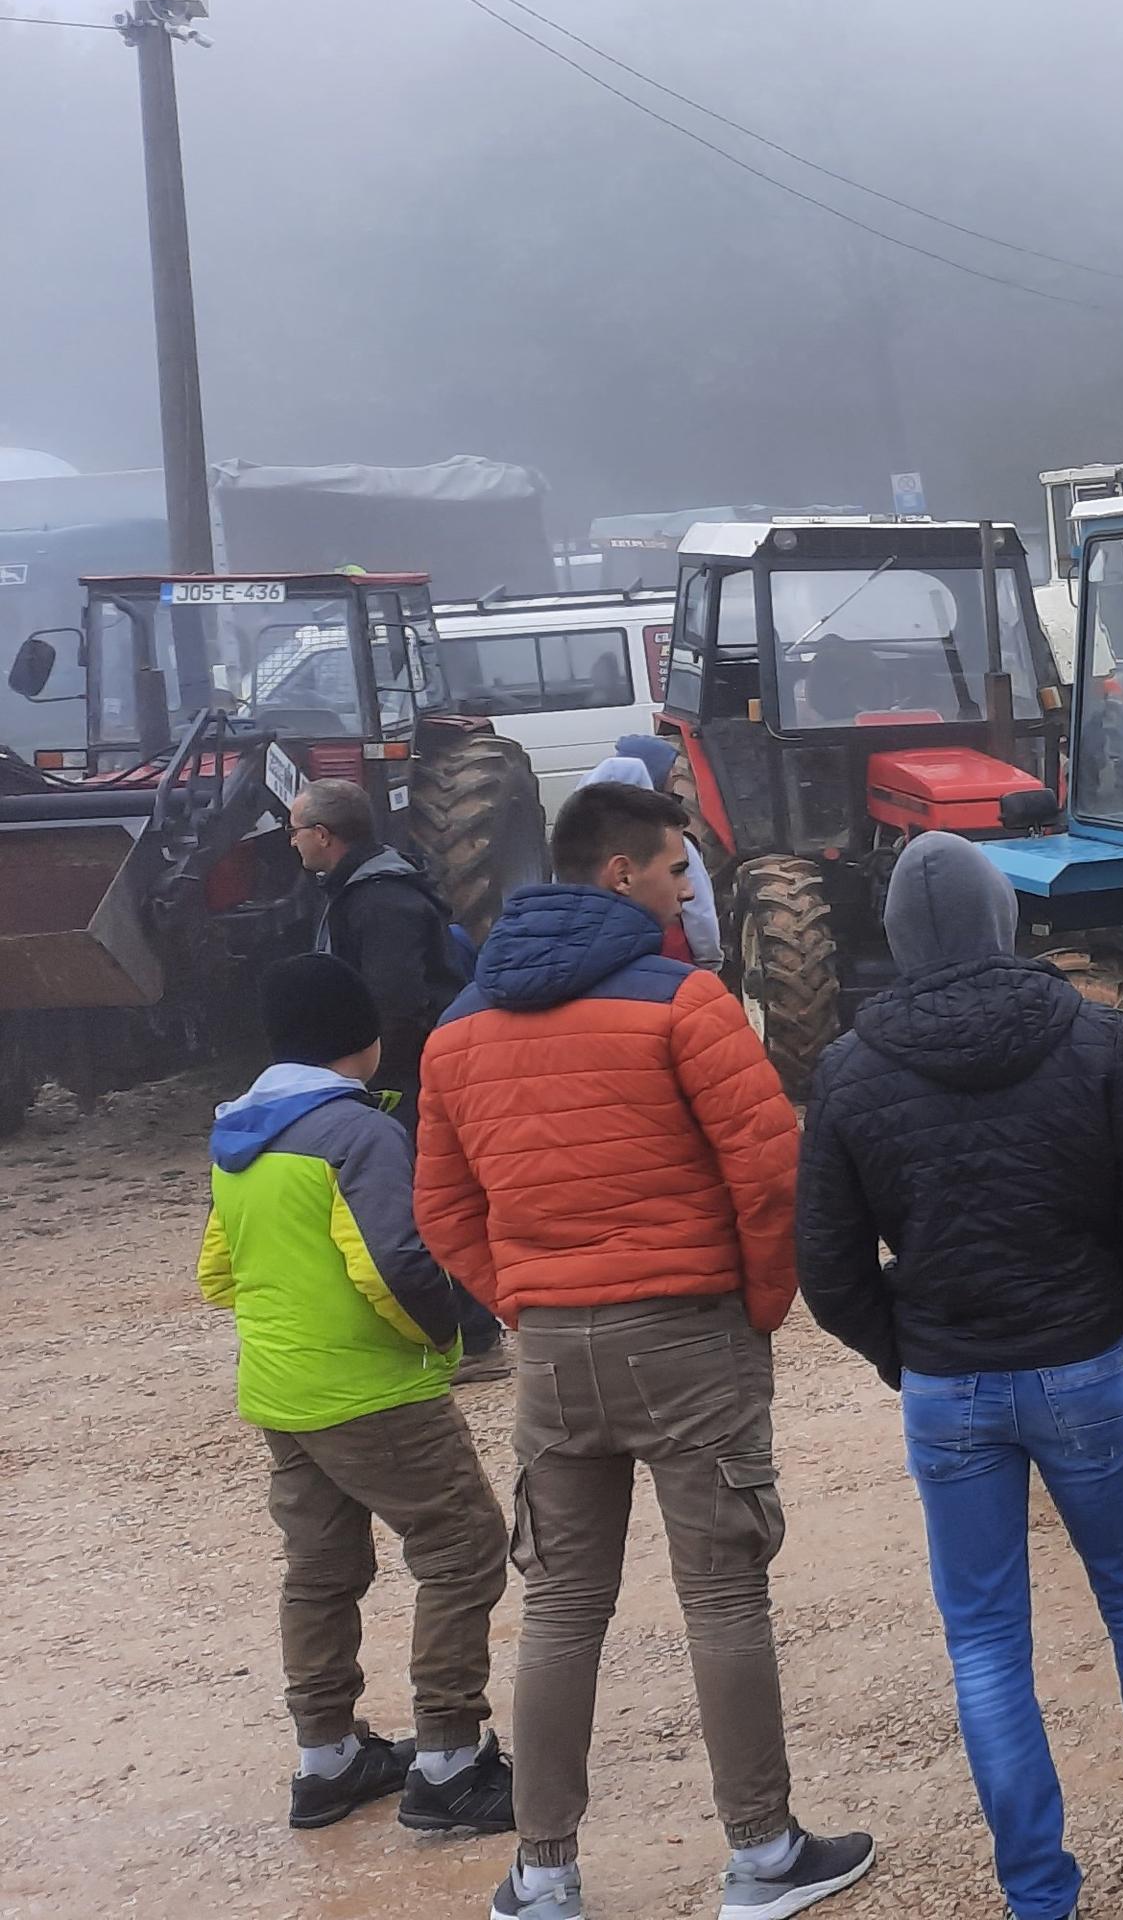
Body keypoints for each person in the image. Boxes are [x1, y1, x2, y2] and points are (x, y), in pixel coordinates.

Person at [413, 781, 875, 1920]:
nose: (687, 886)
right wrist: (759, 1304)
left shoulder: (458, 1030)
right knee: (723, 1601)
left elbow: (442, 1210)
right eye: (676, 868)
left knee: (563, 1608)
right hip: (686, 1331)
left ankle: (544, 1873)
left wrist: (525, 1303)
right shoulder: (686, 1003)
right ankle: (762, 1856)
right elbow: (769, 1172)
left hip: (553, 1354)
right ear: (619, 873)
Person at [797, 833, 1123, 1915]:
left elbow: (826, 1268)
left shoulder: (850, 1069)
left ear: (896, 935)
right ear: (1001, 921)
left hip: (949, 1386)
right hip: (1080, 1368)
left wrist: (906, 1350)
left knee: (983, 1637)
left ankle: (1037, 1891)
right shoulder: (1092, 1039)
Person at [203, 953, 515, 1839]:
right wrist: (442, 1337)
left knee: (322, 1569)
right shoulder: (357, 1133)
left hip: (280, 1390)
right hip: (372, 1389)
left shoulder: (236, 1134)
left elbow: (218, 1271)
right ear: (366, 1040)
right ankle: (450, 1761)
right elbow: (400, 1262)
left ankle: (327, 1758)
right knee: (462, 1546)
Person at [290, 779, 472, 1125]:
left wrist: (365, 1084)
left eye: (295, 830)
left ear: (322, 835)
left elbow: (396, 1006)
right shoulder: (350, 889)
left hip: (405, 1087)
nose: (292, 840)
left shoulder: (381, 903)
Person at [587, 734, 721, 969]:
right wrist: (709, 960)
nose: (674, 777)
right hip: (667, 961)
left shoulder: (578, 844)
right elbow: (698, 910)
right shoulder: (672, 844)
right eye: (669, 770)